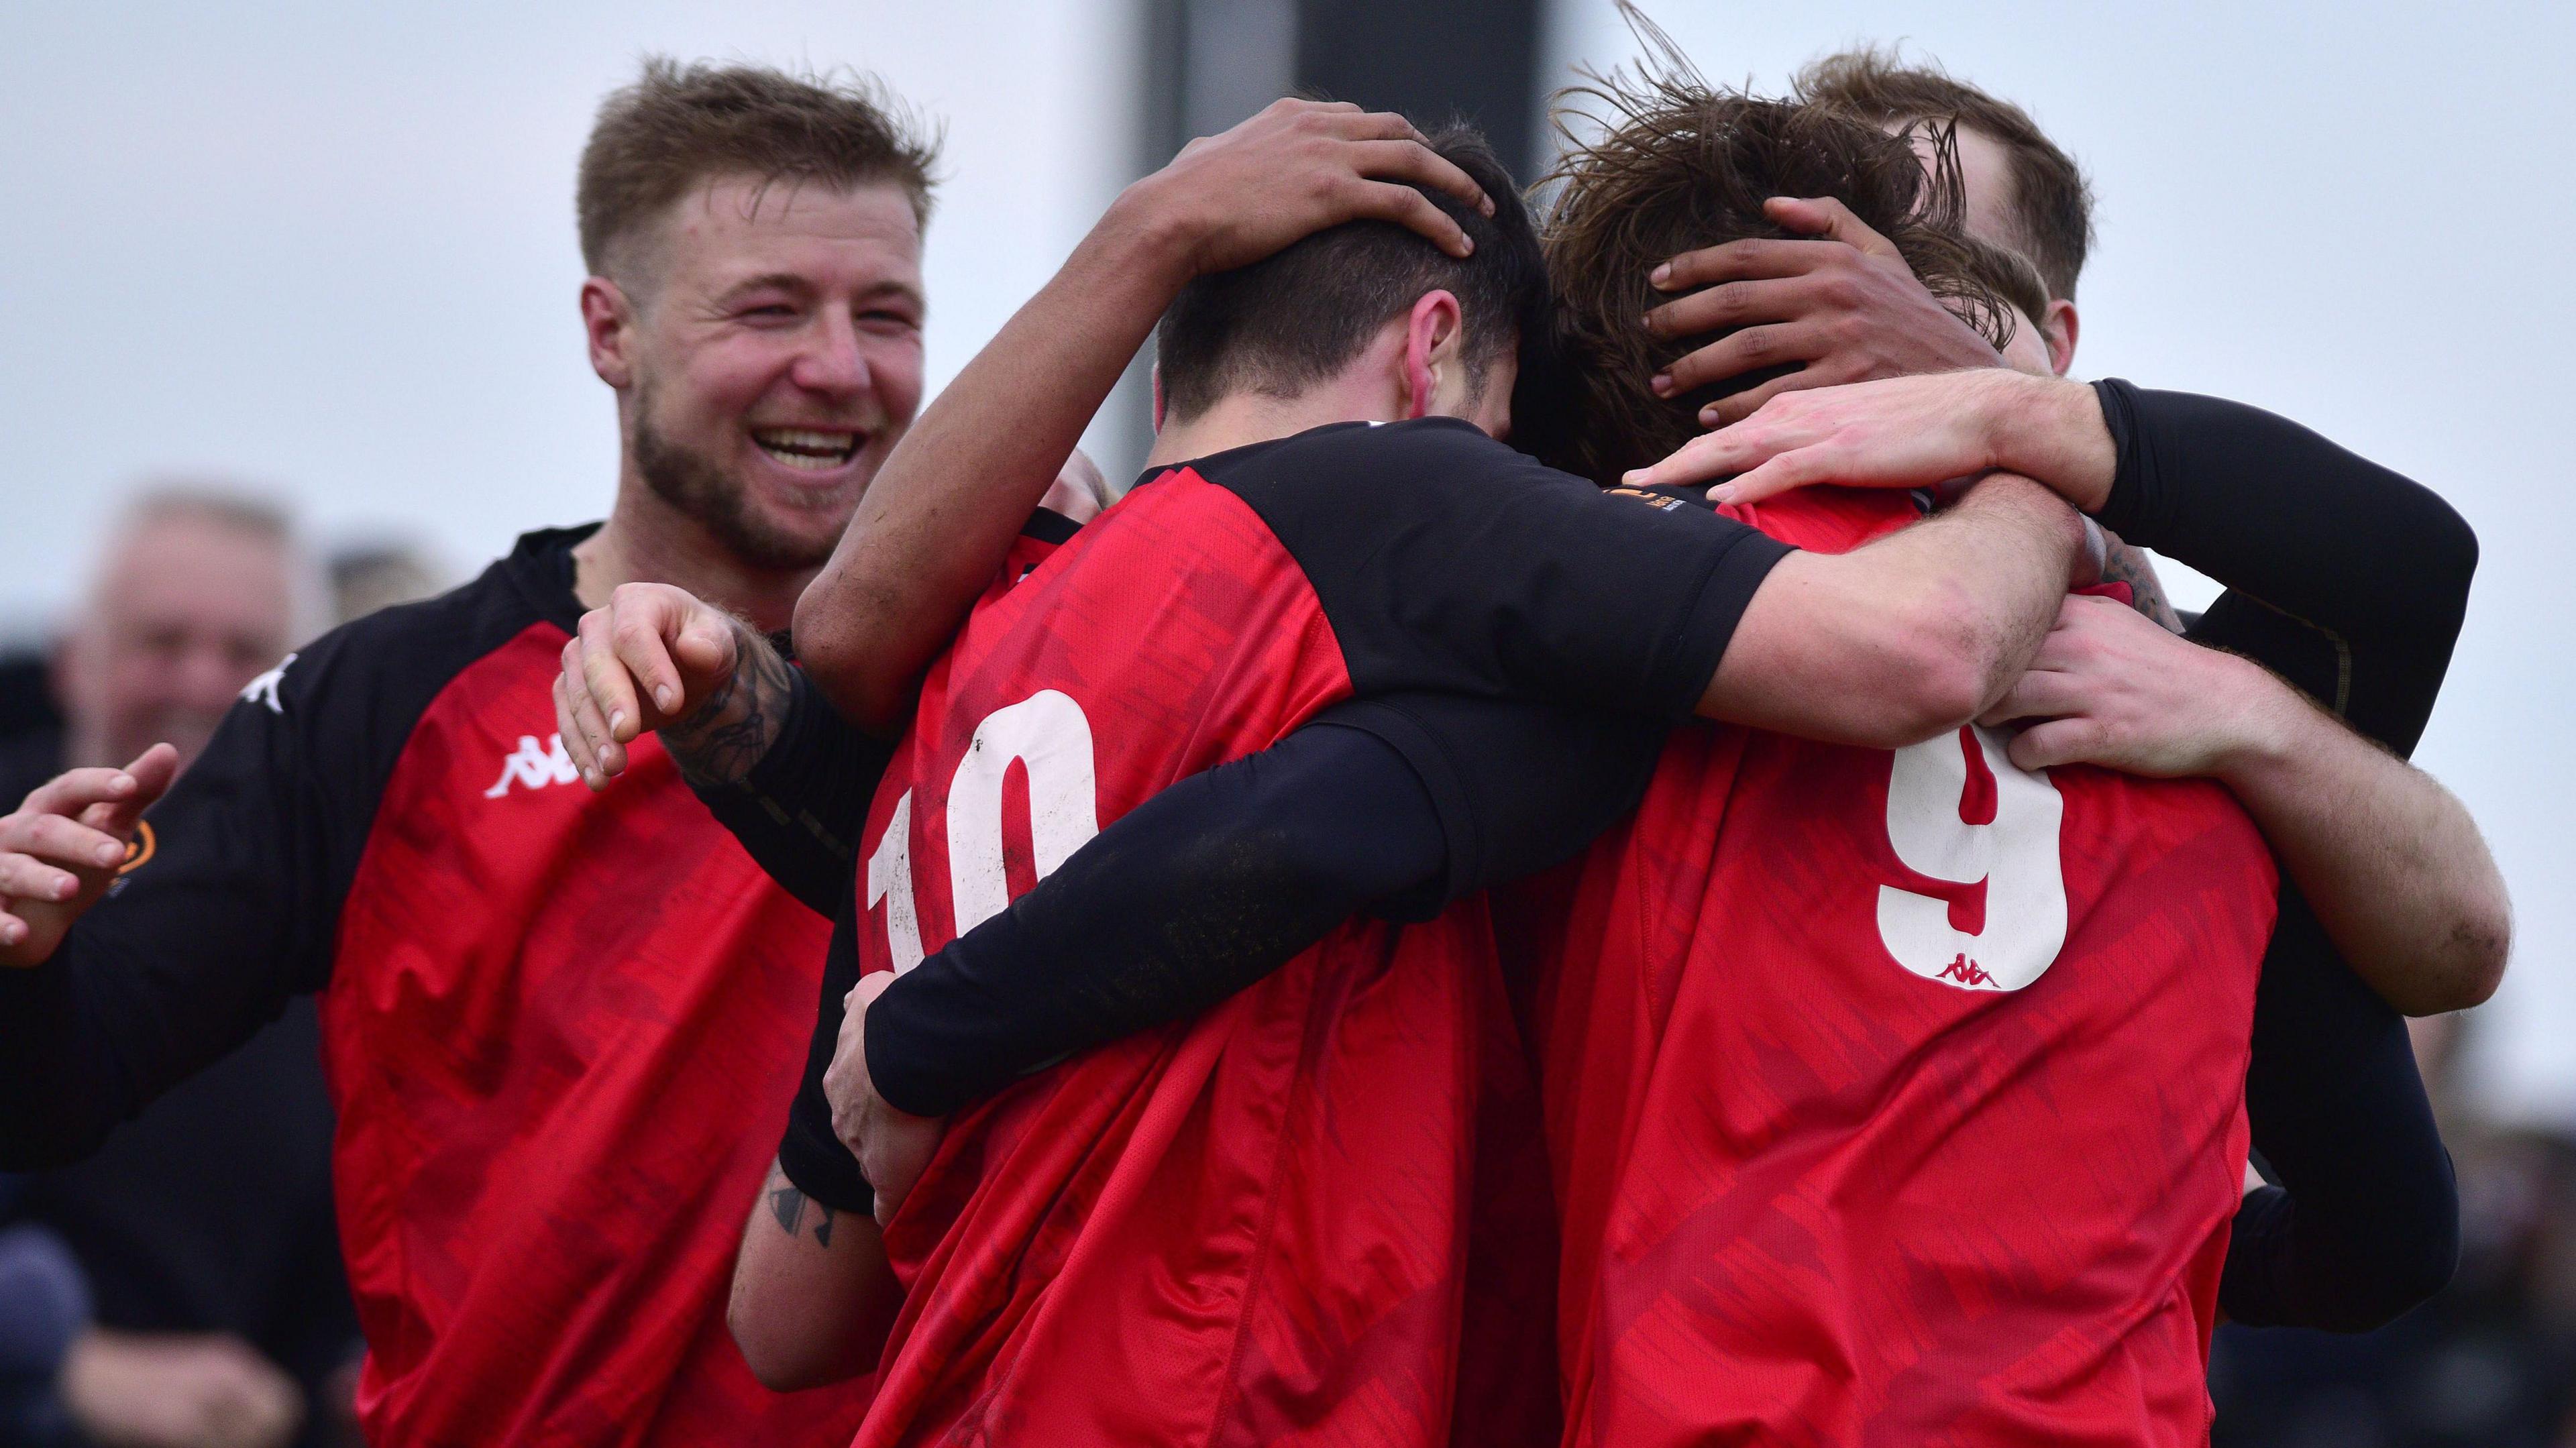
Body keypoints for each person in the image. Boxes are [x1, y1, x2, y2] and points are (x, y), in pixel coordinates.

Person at [709, 85, 2497, 1440]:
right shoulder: (2179, 720)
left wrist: (922, 1024)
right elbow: (2397, 1212)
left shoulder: (1612, 675)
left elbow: (1327, 817)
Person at [0, 60, 931, 1448]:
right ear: (610, 332)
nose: (842, 368)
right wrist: (21, 963)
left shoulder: (994, 658)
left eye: (889, 314)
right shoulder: (378, 703)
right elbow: (66, 1087)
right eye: (771, 309)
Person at [0, 490, 351, 1448]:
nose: (199, 683)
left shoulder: (337, 930)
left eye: (243, 654)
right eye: (162, 640)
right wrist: (64, 1363)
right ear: (77, 662)